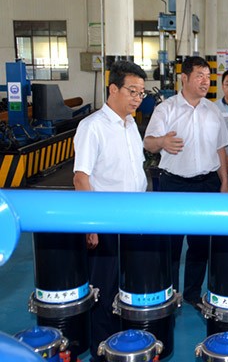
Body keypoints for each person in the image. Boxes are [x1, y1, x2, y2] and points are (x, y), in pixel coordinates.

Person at [73, 60, 148, 361]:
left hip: (135, 219)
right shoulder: (92, 127)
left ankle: (124, 347)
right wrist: (90, 224)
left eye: (142, 93)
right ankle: (102, 351)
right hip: (105, 222)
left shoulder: (131, 125)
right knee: (104, 291)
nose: (138, 98)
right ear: (113, 89)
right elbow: (81, 178)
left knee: (128, 289)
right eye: (133, 91)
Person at [144, 56, 228, 307]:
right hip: (174, 186)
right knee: (171, 242)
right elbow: (148, 142)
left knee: (200, 244)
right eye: (200, 76)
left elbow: (220, 149)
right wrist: (162, 142)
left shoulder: (213, 110)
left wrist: (225, 183)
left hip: (207, 185)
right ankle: (170, 293)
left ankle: (192, 294)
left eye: (208, 77)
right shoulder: (167, 109)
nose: (205, 81)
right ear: (184, 78)